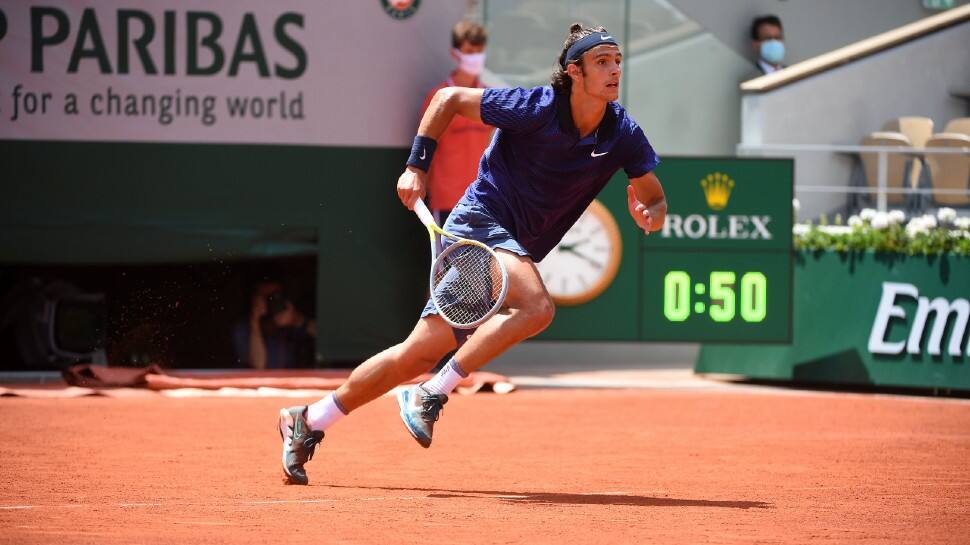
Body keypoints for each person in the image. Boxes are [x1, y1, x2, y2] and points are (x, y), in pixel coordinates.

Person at [277, 23, 667, 485]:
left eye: (617, 61)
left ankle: (308, 420)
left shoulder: (622, 133)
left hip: (513, 244)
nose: (614, 69)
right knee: (537, 308)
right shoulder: (535, 107)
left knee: (416, 354)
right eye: (602, 61)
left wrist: (651, 213)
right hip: (480, 222)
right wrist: (415, 167)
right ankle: (433, 393)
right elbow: (447, 100)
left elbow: (655, 198)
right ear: (574, 71)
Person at [421, 20, 494, 225]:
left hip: (484, 201)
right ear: (455, 53)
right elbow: (425, 151)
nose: (475, 57)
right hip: (446, 202)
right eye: (469, 51)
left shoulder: (489, 96)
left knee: (482, 258)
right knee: (446, 258)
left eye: (479, 51)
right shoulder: (437, 98)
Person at [233, 281, 315, 369]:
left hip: (292, 380)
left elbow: (326, 341)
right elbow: (258, 366)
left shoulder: (291, 323)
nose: (270, 302)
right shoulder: (243, 328)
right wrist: (255, 321)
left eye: (274, 296)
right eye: (266, 298)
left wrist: (297, 320)